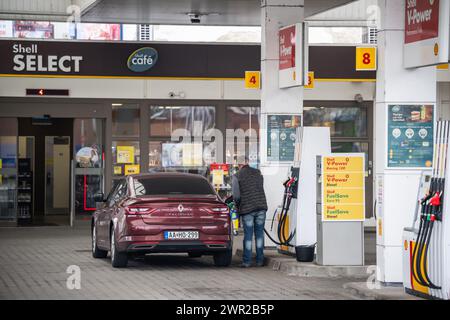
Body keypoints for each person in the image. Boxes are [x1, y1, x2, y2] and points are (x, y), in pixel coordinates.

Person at [232, 157, 268, 267]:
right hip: (261, 206)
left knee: (248, 235)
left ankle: (247, 262)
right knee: (259, 235)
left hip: (247, 209)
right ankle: (260, 261)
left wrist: (237, 206)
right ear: (247, 162)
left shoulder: (237, 176)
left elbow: (237, 196)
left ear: (238, 164)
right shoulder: (258, 172)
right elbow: (259, 187)